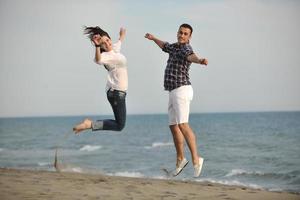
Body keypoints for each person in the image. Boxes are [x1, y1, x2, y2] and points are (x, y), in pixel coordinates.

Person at [145, 24, 208, 177]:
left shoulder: (186, 48)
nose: (182, 35)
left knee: (183, 125)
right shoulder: (174, 47)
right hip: (172, 91)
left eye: (185, 34)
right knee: (173, 126)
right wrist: (153, 39)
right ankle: (180, 159)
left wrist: (199, 60)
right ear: (177, 33)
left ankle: (196, 159)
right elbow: (164, 46)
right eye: (180, 32)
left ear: (189, 37)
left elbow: (191, 56)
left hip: (182, 90)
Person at [73, 26, 128, 133]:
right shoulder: (105, 56)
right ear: (101, 46)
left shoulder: (114, 50)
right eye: (104, 44)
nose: (107, 44)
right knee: (119, 125)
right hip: (116, 93)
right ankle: (89, 124)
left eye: (107, 40)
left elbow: (117, 45)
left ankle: (89, 125)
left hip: (117, 93)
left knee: (119, 125)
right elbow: (98, 60)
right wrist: (97, 46)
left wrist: (121, 36)